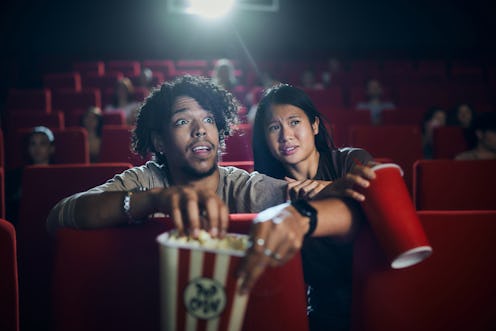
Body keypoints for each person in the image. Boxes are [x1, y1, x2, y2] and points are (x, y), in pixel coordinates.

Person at [46, 76, 374, 316]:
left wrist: (332, 190)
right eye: (183, 121)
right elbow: (58, 216)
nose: (200, 129)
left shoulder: (241, 185)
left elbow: (309, 200)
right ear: (159, 142)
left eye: (208, 119)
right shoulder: (144, 179)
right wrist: (154, 199)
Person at [252, 83, 375, 331]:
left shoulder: (352, 161)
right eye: (274, 127)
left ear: (315, 125)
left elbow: (378, 210)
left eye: (294, 122)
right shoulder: (266, 188)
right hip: (320, 305)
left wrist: (323, 188)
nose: (285, 135)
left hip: (372, 290)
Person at [6, 126, 56, 225]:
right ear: (28, 148)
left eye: (42, 144)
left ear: (51, 148)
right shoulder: (15, 175)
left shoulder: (60, 173)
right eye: (33, 144)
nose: (37, 148)